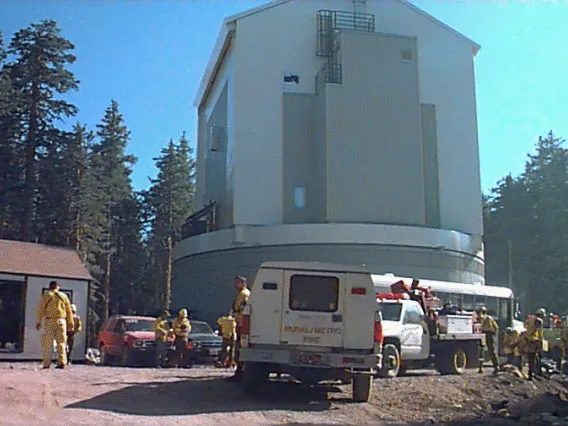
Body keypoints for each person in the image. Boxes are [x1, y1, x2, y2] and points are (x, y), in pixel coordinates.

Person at [36, 280, 74, 369]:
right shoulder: (64, 296)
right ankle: (62, 362)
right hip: (61, 321)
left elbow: (41, 309)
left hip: (49, 320)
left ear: (50, 287)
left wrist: (38, 321)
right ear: (58, 287)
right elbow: (69, 311)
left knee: (47, 343)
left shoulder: (47, 296)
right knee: (61, 342)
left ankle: (46, 363)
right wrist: (71, 323)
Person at [227, 275, 251, 381]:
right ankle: (238, 371)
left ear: (243, 283)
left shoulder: (244, 294)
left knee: (240, 348)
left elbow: (243, 310)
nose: (235, 285)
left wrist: (240, 322)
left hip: (242, 324)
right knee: (237, 347)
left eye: (237, 282)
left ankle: (240, 373)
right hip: (238, 323)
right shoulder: (240, 294)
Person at [523, 308, 545, 380]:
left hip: (531, 341)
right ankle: (532, 375)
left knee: (533, 359)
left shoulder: (532, 320)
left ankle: (534, 374)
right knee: (532, 359)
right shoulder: (537, 321)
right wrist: (538, 341)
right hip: (532, 342)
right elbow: (537, 333)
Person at [476, 306, 499, 374]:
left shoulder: (487, 318)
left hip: (488, 334)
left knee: (491, 350)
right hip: (482, 334)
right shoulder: (478, 318)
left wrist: (493, 333)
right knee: (481, 351)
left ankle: (496, 366)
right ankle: (480, 368)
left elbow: (496, 327)